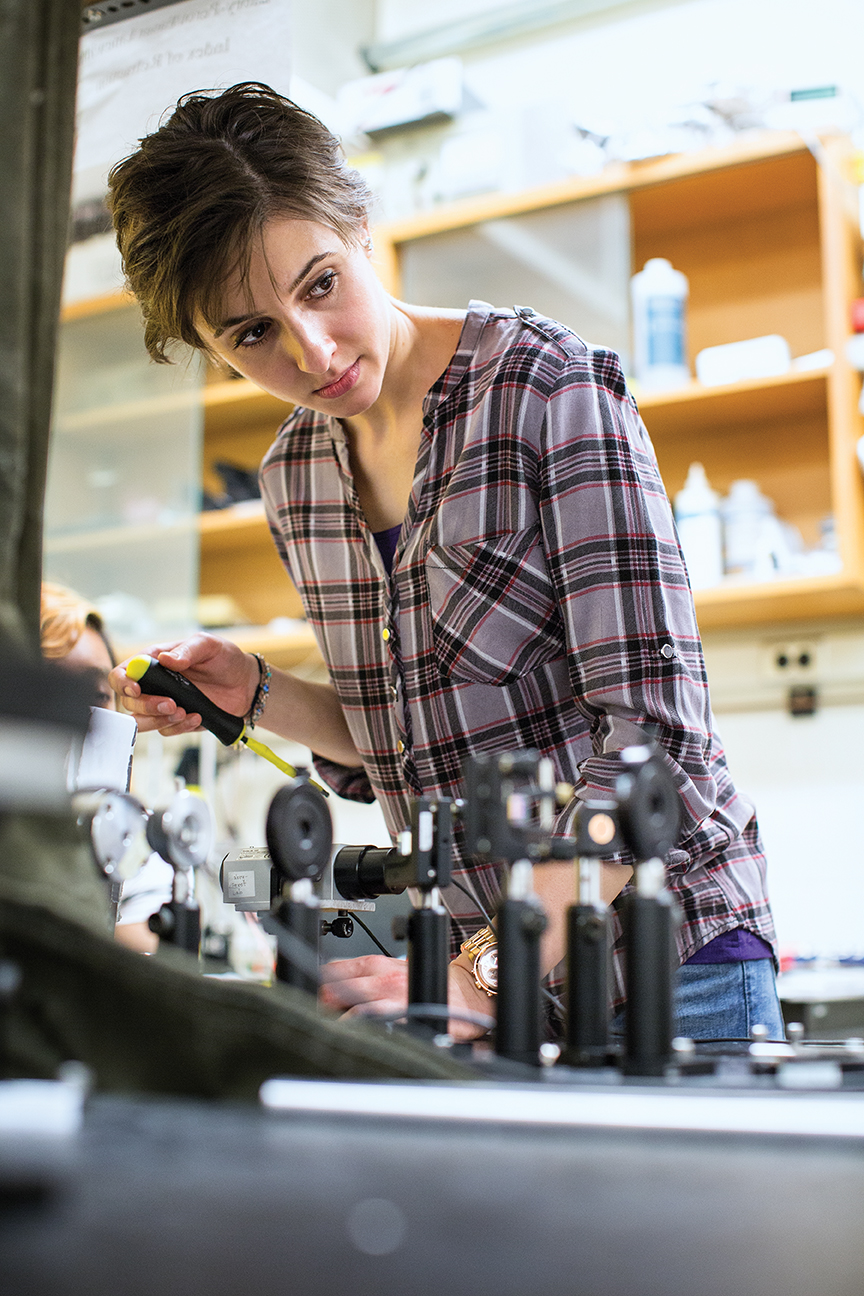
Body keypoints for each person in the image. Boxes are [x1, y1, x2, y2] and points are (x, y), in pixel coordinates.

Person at [106, 82, 784, 1042]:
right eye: (251, 333)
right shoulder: (296, 476)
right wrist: (258, 690)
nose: (312, 349)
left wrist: (484, 971)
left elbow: (654, 748)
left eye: (320, 283)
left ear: (362, 224)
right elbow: (401, 740)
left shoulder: (546, 391)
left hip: (671, 965)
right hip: (479, 981)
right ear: (210, 350)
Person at [40, 582, 173, 954]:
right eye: (53, 688)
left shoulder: (130, 839)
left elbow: (154, 955)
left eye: (97, 696)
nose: (78, 714)